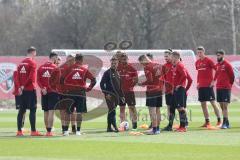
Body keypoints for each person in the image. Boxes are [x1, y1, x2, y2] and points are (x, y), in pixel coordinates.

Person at [61, 54, 96, 136]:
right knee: (79, 112)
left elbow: (61, 80)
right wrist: (88, 88)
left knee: (68, 112)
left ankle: (65, 131)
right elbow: (94, 80)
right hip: (80, 93)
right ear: (82, 60)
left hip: (70, 93)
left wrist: (66, 89)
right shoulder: (84, 69)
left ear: (75, 59)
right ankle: (78, 131)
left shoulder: (69, 68)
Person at [16, 46, 42, 136]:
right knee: (33, 109)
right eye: (35, 53)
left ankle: (19, 131)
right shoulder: (32, 63)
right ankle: (33, 131)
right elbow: (31, 77)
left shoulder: (21, 63)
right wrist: (23, 86)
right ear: (33, 52)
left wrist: (19, 87)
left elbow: (17, 77)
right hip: (30, 89)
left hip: (22, 90)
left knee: (21, 110)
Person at [195, 46, 222, 128]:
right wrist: (198, 83)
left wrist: (214, 81)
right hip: (201, 86)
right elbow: (199, 74)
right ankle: (207, 122)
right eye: (198, 52)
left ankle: (219, 120)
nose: (199, 54)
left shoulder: (208, 60)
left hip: (208, 86)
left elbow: (217, 69)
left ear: (204, 52)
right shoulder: (197, 62)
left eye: (200, 52)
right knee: (203, 104)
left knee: (213, 103)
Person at [138, 55, 163, 135]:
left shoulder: (147, 67)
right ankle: (157, 128)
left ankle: (154, 129)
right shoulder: (158, 65)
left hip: (152, 91)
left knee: (152, 111)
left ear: (144, 59)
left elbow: (150, 80)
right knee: (158, 110)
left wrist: (141, 83)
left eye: (142, 62)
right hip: (159, 90)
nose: (142, 65)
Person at [100, 56, 125, 132]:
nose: (114, 64)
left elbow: (120, 86)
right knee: (112, 110)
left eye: (115, 63)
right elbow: (102, 84)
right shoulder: (107, 72)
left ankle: (108, 127)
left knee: (111, 111)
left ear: (117, 63)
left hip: (117, 96)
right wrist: (106, 93)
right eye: (112, 63)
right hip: (110, 95)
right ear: (110, 63)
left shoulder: (117, 72)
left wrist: (122, 96)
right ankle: (115, 127)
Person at [37, 52, 59, 136]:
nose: (57, 60)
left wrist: (43, 88)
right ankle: (49, 132)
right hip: (52, 92)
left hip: (43, 92)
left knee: (45, 112)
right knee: (51, 112)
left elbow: (38, 80)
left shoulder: (41, 67)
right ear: (54, 58)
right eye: (56, 58)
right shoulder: (55, 68)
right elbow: (55, 82)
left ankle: (47, 130)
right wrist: (48, 88)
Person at [213, 50, 234, 129]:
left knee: (225, 106)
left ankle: (225, 123)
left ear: (222, 55)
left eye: (219, 55)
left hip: (226, 88)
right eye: (217, 55)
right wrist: (214, 81)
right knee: (222, 106)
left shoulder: (227, 65)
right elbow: (217, 74)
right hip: (219, 87)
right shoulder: (217, 65)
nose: (217, 57)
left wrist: (229, 85)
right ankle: (227, 122)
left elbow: (232, 76)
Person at [117, 53, 138, 130]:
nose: (124, 60)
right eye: (123, 59)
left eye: (125, 59)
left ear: (128, 59)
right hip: (120, 92)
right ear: (120, 60)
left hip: (129, 92)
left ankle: (134, 123)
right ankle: (122, 125)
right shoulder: (117, 67)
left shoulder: (132, 68)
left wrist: (130, 86)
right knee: (122, 108)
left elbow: (136, 80)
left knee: (132, 107)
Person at [171, 51, 188, 132]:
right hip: (177, 89)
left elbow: (185, 75)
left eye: (172, 57)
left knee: (181, 108)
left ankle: (183, 126)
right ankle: (182, 126)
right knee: (178, 107)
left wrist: (180, 84)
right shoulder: (175, 66)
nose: (171, 59)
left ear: (176, 57)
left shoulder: (180, 65)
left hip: (180, 89)